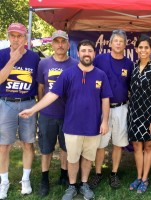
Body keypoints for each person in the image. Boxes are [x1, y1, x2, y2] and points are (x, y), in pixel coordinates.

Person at [19, 40, 113, 200]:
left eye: (90, 51)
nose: (86, 54)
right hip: (72, 126)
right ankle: (71, 186)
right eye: (83, 51)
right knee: (72, 158)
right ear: (78, 53)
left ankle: (84, 184)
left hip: (93, 126)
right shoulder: (68, 74)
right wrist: (34, 109)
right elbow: (52, 94)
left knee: (88, 158)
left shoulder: (100, 75)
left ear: (94, 54)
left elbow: (105, 100)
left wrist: (104, 122)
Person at [0, 22, 40, 199]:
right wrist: (12, 60)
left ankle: (25, 180)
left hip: (28, 103)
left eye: (19, 36)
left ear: (25, 38)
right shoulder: (1, 55)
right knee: (3, 146)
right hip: (6, 103)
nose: (16, 39)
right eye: (12, 35)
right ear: (8, 36)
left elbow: (39, 83)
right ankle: (4, 182)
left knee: (28, 143)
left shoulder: (34, 57)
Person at [89, 30, 133, 189]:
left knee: (118, 143)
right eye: (116, 41)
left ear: (125, 44)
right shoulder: (100, 59)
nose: (119, 43)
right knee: (100, 144)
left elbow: (130, 87)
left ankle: (114, 173)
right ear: (110, 43)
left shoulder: (129, 64)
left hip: (121, 107)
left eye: (121, 41)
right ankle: (98, 173)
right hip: (102, 109)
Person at [36, 30, 78, 196]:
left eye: (63, 41)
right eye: (57, 41)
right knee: (46, 148)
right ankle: (44, 179)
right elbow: (40, 87)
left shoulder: (75, 64)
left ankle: (63, 175)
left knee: (65, 147)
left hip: (68, 115)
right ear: (52, 44)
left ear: (68, 44)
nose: (60, 45)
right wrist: (42, 107)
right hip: (48, 115)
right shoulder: (44, 64)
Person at [128, 34, 151, 193]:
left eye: (146, 47)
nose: (143, 50)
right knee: (137, 145)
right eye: (140, 47)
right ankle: (138, 176)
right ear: (136, 49)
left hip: (150, 114)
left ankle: (145, 178)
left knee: (148, 146)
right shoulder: (134, 67)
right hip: (134, 112)